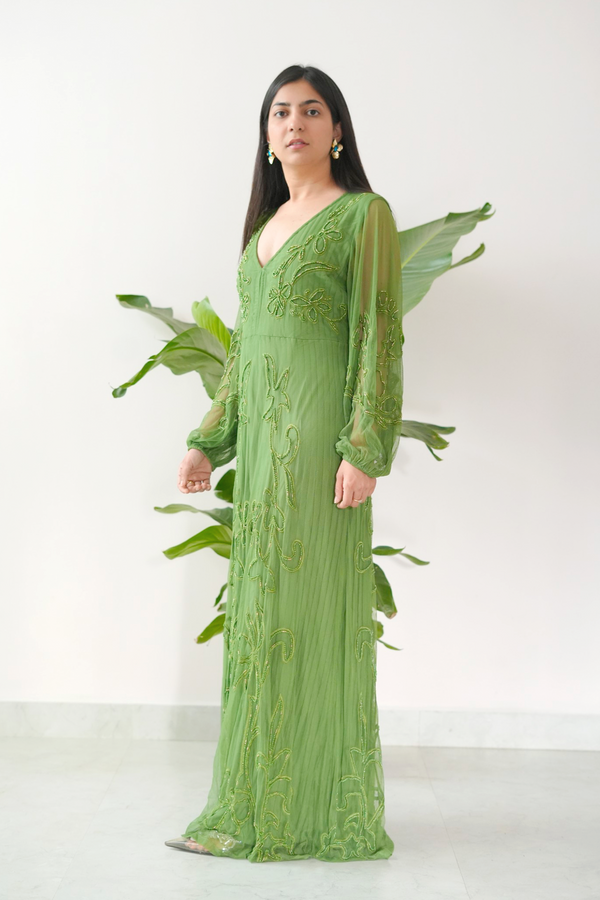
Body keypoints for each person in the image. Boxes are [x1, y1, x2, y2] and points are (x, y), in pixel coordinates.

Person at [165, 63, 404, 863]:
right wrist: (210, 438)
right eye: (278, 113)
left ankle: (316, 812)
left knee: (311, 622)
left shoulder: (363, 216)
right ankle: (252, 805)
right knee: (261, 623)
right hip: (263, 460)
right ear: (266, 138)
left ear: (338, 130)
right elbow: (243, 354)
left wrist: (364, 447)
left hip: (320, 454)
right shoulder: (260, 230)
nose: (292, 123)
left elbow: (378, 334)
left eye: (311, 110)